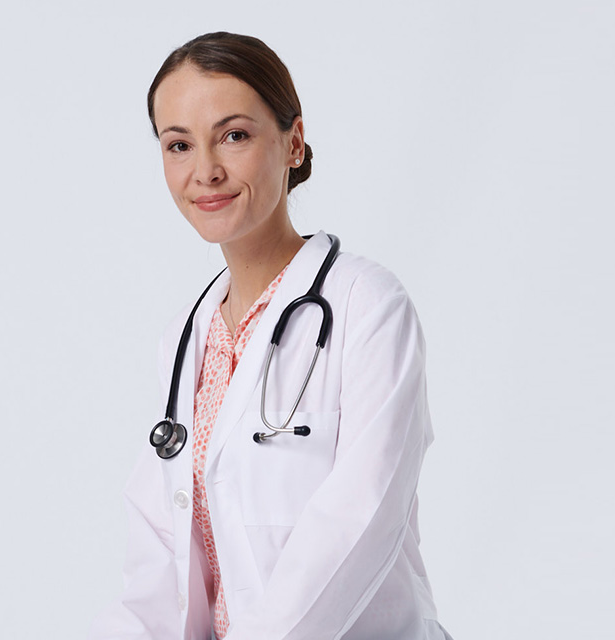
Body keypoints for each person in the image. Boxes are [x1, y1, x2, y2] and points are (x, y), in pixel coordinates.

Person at [90, 32, 449, 640]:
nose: (205, 171)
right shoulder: (187, 338)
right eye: (179, 145)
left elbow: (360, 520)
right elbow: (161, 551)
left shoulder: (368, 307)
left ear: (293, 141)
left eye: (234, 135)